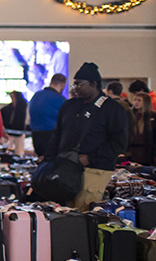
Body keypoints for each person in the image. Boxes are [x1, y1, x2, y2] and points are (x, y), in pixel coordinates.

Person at [45, 62, 129, 211]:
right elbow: (58, 134)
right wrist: (48, 160)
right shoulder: (69, 105)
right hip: (67, 167)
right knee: (66, 212)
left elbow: (119, 142)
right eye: (74, 85)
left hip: (96, 168)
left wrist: (91, 158)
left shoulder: (112, 108)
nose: (75, 88)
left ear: (93, 84)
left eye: (79, 84)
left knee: (83, 211)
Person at [28, 73, 67, 157]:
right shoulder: (59, 99)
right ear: (62, 84)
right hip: (51, 139)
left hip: (36, 138)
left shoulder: (36, 96)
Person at [129, 92, 156, 166]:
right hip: (133, 150)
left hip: (147, 151)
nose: (136, 103)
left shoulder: (154, 116)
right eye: (135, 100)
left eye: (139, 100)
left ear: (145, 102)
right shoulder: (131, 115)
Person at [2, 91, 28, 156]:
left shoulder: (23, 107)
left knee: (19, 152)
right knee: (8, 151)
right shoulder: (8, 108)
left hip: (19, 133)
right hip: (9, 133)